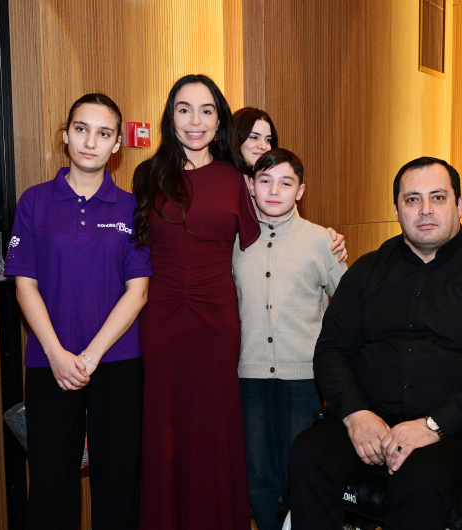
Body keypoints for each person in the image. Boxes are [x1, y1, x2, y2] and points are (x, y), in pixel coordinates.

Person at [132, 76, 343, 529]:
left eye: (207, 110)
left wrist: (323, 239)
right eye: (184, 109)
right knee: (164, 432)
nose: (195, 120)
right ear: (170, 116)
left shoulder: (235, 180)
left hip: (218, 326)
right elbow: (135, 249)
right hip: (162, 323)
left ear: (219, 121)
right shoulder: (147, 175)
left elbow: (271, 229)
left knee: (217, 433)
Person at [287, 156, 462, 530]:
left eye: (438, 197)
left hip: (451, 431)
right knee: (308, 454)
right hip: (369, 418)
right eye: (412, 199)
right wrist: (356, 414)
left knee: (421, 479)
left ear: (459, 204)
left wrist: (432, 426)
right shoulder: (367, 271)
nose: (425, 210)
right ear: (397, 209)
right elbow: (332, 350)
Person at [6, 93, 150, 529]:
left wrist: (90, 357)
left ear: (117, 145)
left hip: (117, 362)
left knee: (118, 483)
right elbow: (25, 285)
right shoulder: (34, 202)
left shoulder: (131, 207)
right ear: (65, 136)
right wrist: (56, 354)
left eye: (104, 133)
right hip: (50, 363)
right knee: (50, 484)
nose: (91, 142)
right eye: (81, 129)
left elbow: (138, 291)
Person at [233, 148, 347, 530]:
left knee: (299, 470)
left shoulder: (321, 240)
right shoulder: (235, 240)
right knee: (258, 473)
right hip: (249, 375)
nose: (274, 190)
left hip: (304, 378)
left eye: (286, 183)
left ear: (300, 191)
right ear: (251, 186)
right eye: (265, 181)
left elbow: (349, 306)